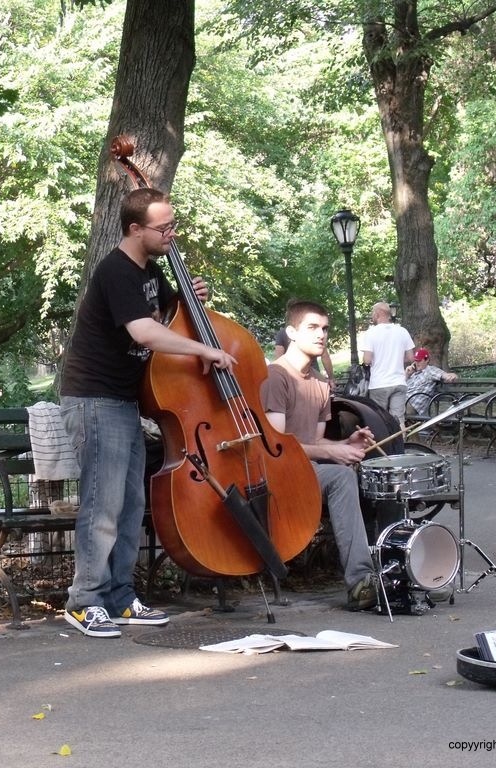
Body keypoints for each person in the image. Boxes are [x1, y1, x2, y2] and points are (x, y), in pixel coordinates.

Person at [59, 187, 237, 638]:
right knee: (103, 505)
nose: (171, 235)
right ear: (135, 229)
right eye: (164, 228)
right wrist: (205, 350)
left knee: (130, 503)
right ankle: (84, 601)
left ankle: (119, 597)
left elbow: (166, 318)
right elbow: (144, 332)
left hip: (126, 400)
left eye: (173, 225)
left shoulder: (151, 272)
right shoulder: (116, 270)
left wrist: (185, 298)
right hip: (94, 399)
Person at [260, 300, 379, 612]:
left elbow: (312, 441)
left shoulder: (320, 385)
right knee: (340, 475)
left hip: (307, 471)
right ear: (291, 332)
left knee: (372, 474)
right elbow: (278, 447)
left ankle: (391, 571)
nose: (321, 335)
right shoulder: (275, 376)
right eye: (312, 328)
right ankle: (361, 580)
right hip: (274, 473)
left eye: (325, 328)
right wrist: (332, 451)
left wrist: (346, 443)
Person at [359, 301, 415, 429]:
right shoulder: (402, 331)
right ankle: (400, 446)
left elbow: (367, 360)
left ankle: (383, 447)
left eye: (373, 313)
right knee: (398, 420)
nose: (372, 316)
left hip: (379, 383)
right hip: (399, 382)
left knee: (379, 419)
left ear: (378, 313)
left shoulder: (371, 333)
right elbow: (411, 358)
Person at [405, 347, 459, 418]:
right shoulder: (414, 374)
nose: (417, 363)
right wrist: (407, 375)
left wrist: (452, 376)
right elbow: (401, 386)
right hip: (404, 400)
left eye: (419, 361)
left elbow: (444, 375)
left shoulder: (430, 370)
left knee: (391, 408)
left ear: (427, 360)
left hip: (412, 405)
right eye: (416, 361)